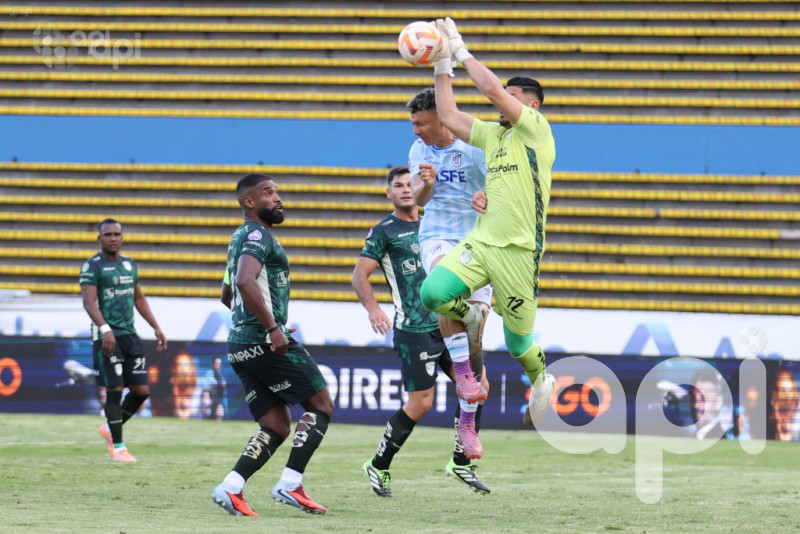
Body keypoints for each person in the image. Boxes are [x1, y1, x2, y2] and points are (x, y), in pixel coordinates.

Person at [420, 18, 557, 445]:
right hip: (481, 242)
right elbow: (446, 115)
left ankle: (542, 381)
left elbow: (493, 90)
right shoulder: (493, 135)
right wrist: (442, 64)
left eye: (514, 98)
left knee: (519, 344)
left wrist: (460, 50)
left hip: (518, 251)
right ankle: (469, 339)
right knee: (433, 293)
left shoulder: (536, 130)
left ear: (530, 106)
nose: (503, 102)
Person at [353, 166, 490, 497]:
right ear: (389, 193)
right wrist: (373, 309)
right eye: (397, 185)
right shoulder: (384, 231)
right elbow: (360, 275)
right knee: (421, 403)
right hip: (415, 328)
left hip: (448, 320)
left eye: (408, 183)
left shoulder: (438, 223)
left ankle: (460, 461)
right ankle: (379, 465)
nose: (404, 189)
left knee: (479, 386)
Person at [211, 173, 334, 517]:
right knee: (321, 405)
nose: (277, 197)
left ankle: (231, 487)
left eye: (277, 191)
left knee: (276, 425)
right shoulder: (256, 235)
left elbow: (228, 294)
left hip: (239, 343)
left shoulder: (238, 238)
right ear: (249, 202)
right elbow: (244, 281)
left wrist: (266, 319)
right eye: (268, 192)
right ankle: (291, 483)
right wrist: (271, 328)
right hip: (264, 342)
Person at [407, 87, 492, 463]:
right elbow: (418, 200)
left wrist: (487, 198)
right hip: (438, 236)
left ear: (441, 119)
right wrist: (425, 182)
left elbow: (502, 188)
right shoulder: (418, 151)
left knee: (475, 341)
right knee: (441, 286)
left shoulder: (476, 145)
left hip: (479, 240)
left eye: (420, 124)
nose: (415, 131)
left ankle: (468, 423)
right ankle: (462, 376)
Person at [79, 218, 167, 462]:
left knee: (141, 391)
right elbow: (88, 302)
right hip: (106, 337)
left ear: (123, 236)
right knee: (114, 389)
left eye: (117, 234)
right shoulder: (92, 266)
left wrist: (155, 326)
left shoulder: (129, 264)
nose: (113, 238)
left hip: (130, 335)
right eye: (108, 234)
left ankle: (109, 428)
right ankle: (118, 447)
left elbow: (138, 298)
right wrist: (105, 329)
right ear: (99, 238)